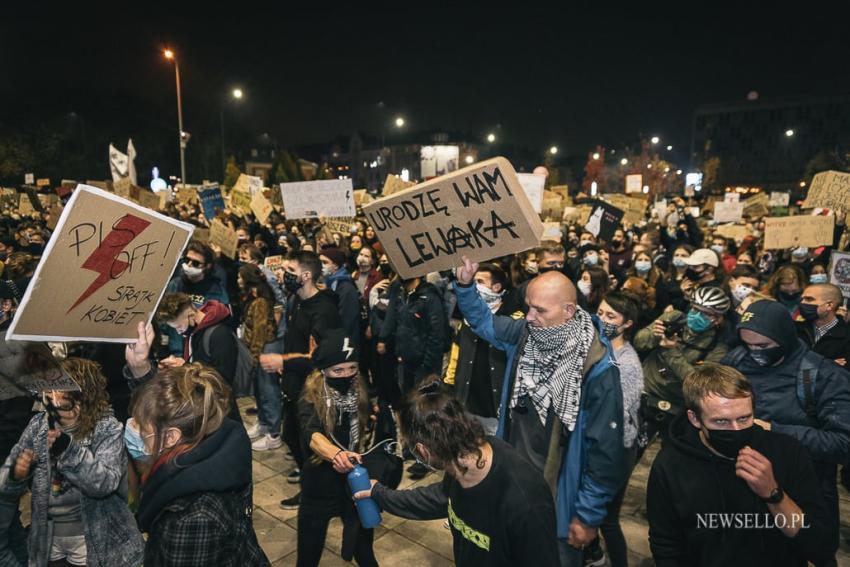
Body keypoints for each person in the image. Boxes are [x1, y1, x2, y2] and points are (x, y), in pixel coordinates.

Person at [453, 255, 625, 566]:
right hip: (514, 485)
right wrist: (465, 286)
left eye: (539, 310)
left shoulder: (597, 367)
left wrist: (587, 516)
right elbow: (484, 322)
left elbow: (605, 452)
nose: (529, 317)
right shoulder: (525, 335)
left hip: (558, 500)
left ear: (569, 311)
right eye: (529, 306)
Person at [354, 380, 560, 567]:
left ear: (423, 451)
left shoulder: (525, 501)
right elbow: (436, 499)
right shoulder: (458, 467)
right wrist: (379, 493)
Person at [647, 364, 835, 566]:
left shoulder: (788, 452)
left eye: (744, 418)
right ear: (694, 418)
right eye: (721, 422)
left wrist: (773, 494)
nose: (736, 429)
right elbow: (666, 543)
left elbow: (819, 544)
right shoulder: (670, 465)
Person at [125, 333, 269, 566]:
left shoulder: (190, 517)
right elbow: (168, 413)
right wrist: (141, 369)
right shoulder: (214, 436)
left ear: (171, 437)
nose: (132, 428)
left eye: (139, 426)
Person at [722, 300, 850, 552]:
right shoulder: (734, 363)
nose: (755, 352)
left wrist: (774, 431)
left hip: (801, 491)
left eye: (763, 346)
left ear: (785, 338)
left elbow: (844, 444)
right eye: (748, 345)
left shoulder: (823, 375)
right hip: (738, 488)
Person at [0, 358, 144, 567]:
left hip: (95, 539)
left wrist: (68, 450)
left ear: (81, 396)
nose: (50, 395)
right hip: (50, 539)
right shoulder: (38, 426)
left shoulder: (106, 428)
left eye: (58, 389)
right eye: (48, 390)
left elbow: (105, 483)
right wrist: (15, 474)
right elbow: (7, 475)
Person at [260, 251, 341, 509]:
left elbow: (321, 357)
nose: (283, 274)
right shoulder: (296, 300)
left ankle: (313, 493)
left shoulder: (324, 310)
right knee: (291, 437)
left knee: (310, 444)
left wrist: (284, 361)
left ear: (306, 275)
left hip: (312, 390)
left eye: (289, 270)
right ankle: (310, 479)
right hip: (294, 385)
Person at [295, 330, 378, 567]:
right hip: (319, 484)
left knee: (365, 550)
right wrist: (336, 454)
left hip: (355, 483)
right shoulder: (311, 395)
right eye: (338, 370)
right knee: (308, 555)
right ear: (324, 371)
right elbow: (312, 435)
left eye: (351, 368)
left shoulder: (358, 387)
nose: (346, 375)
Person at [584, 292, 644, 567]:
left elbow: (625, 418)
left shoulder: (628, 363)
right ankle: (593, 554)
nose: (602, 319)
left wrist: (614, 460)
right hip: (593, 442)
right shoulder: (597, 347)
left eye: (611, 316)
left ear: (627, 323)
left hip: (616, 449)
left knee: (607, 520)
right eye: (600, 312)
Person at [635, 286, 730, 445]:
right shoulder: (674, 317)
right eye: (695, 309)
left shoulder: (718, 348)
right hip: (644, 395)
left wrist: (670, 350)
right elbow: (638, 341)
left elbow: (695, 381)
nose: (697, 315)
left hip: (675, 409)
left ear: (718, 319)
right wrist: (655, 336)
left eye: (706, 313)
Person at [444, 263, 522, 435]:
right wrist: (449, 383)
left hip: (496, 408)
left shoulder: (513, 320)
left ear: (496, 287)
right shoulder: (467, 319)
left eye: (480, 281)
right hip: (468, 403)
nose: (476, 286)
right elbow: (456, 353)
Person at [153, 291, 242, 422]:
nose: (179, 332)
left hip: (220, 413)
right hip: (205, 408)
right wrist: (183, 365)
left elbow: (222, 380)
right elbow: (202, 362)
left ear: (191, 315)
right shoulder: (194, 332)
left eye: (179, 327)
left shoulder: (219, 335)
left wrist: (187, 370)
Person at [236, 264, 280, 450]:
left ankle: (273, 432)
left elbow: (259, 333)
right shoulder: (252, 298)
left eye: (240, 277)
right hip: (256, 350)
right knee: (260, 393)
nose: (238, 280)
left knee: (268, 391)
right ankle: (263, 423)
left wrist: (253, 358)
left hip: (264, 351)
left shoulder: (261, 302)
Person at [796, 283, 850, 366]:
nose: (802, 303)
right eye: (802, 299)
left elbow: (843, 374)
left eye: (809, 299)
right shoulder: (794, 329)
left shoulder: (846, 336)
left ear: (829, 305)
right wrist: (826, 364)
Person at [320, 248, 362, 349]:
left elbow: (346, 319)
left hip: (344, 343)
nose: (321, 266)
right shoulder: (329, 283)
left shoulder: (346, 287)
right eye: (319, 262)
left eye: (325, 262)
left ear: (335, 265)